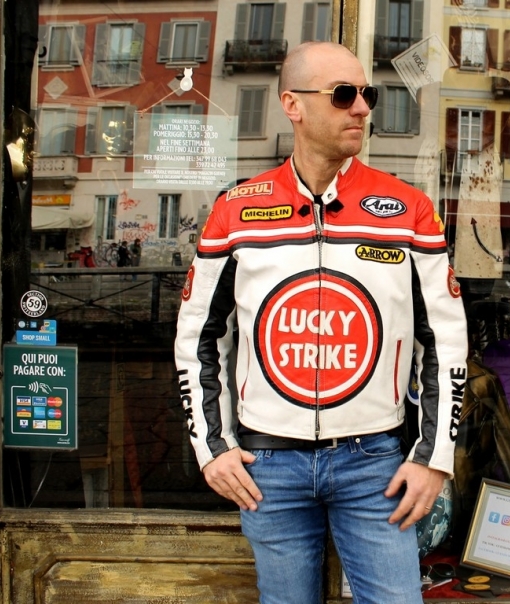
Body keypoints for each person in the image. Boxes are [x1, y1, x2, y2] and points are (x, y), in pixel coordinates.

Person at [174, 41, 468, 604]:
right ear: (293, 104)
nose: (361, 107)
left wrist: (434, 458)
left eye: (367, 94)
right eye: (343, 94)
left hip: (374, 463)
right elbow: (198, 337)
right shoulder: (235, 210)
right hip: (268, 467)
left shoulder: (408, 209)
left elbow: (446, 342)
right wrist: (212, 446)